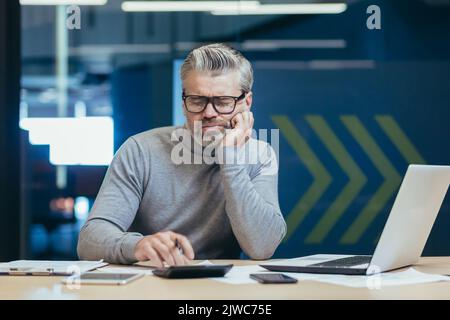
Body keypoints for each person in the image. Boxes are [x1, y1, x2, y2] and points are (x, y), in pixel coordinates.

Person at [77, 43, 286, 266]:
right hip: (150, 284)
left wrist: (230, 158)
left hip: (221, 288)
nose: (208, 113)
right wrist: (137, 246)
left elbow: (262, 246)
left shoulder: (260, 155)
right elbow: (89, 240)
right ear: (183, 101)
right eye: (197, 100)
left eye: (223, 102)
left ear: (246, 103)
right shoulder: (140, 150)